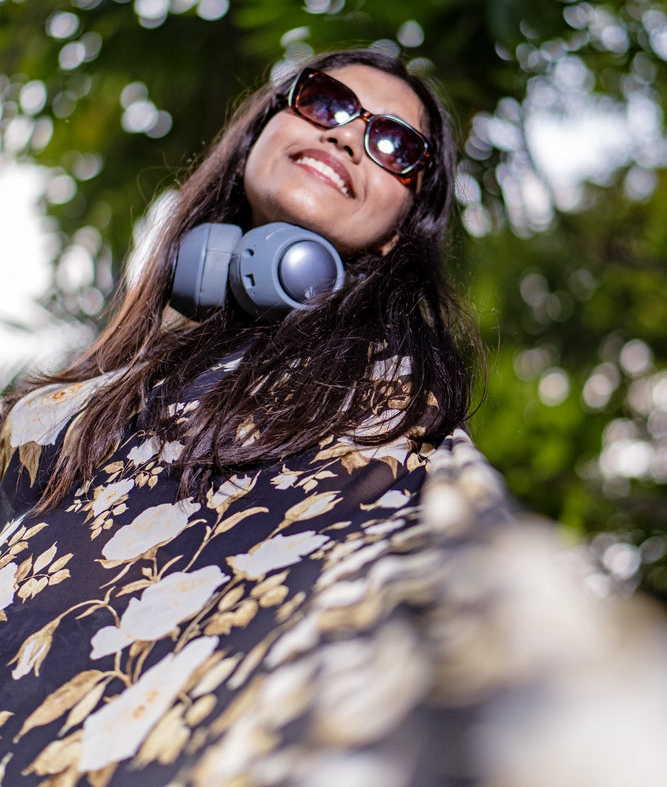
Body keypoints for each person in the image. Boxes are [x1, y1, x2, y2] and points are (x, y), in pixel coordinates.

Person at [2, 47, 666, 787]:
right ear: (257, 134)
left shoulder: (392, 408)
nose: (348, 136)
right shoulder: (67, 398)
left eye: (394, 145)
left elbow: (457, 555)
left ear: (396, 231)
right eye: (324, 102)